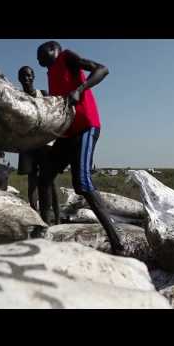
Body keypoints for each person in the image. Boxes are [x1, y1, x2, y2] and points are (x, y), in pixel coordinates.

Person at [36, 41, 123, 253]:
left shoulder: (67, 57)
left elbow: (103, 69)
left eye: (41, 53)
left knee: (82, 183)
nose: (38, 58)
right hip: (67, 134)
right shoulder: (50, 74)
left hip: (86, 127)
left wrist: (80, 89)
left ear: (53, 49)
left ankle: (117, 241)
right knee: (45, 176)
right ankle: (43, 231)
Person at [17, 66, 60, 224]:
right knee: (32, 181)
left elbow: (54, 114)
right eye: (23, 76)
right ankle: (37, 219)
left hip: (45, 143)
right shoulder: (18, 97)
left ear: (33, 76)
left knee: (51, 181)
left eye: (28, 75)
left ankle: (57, 218)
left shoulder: (44, 94)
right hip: (28, 144)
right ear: (19, 79)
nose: (26, 78)